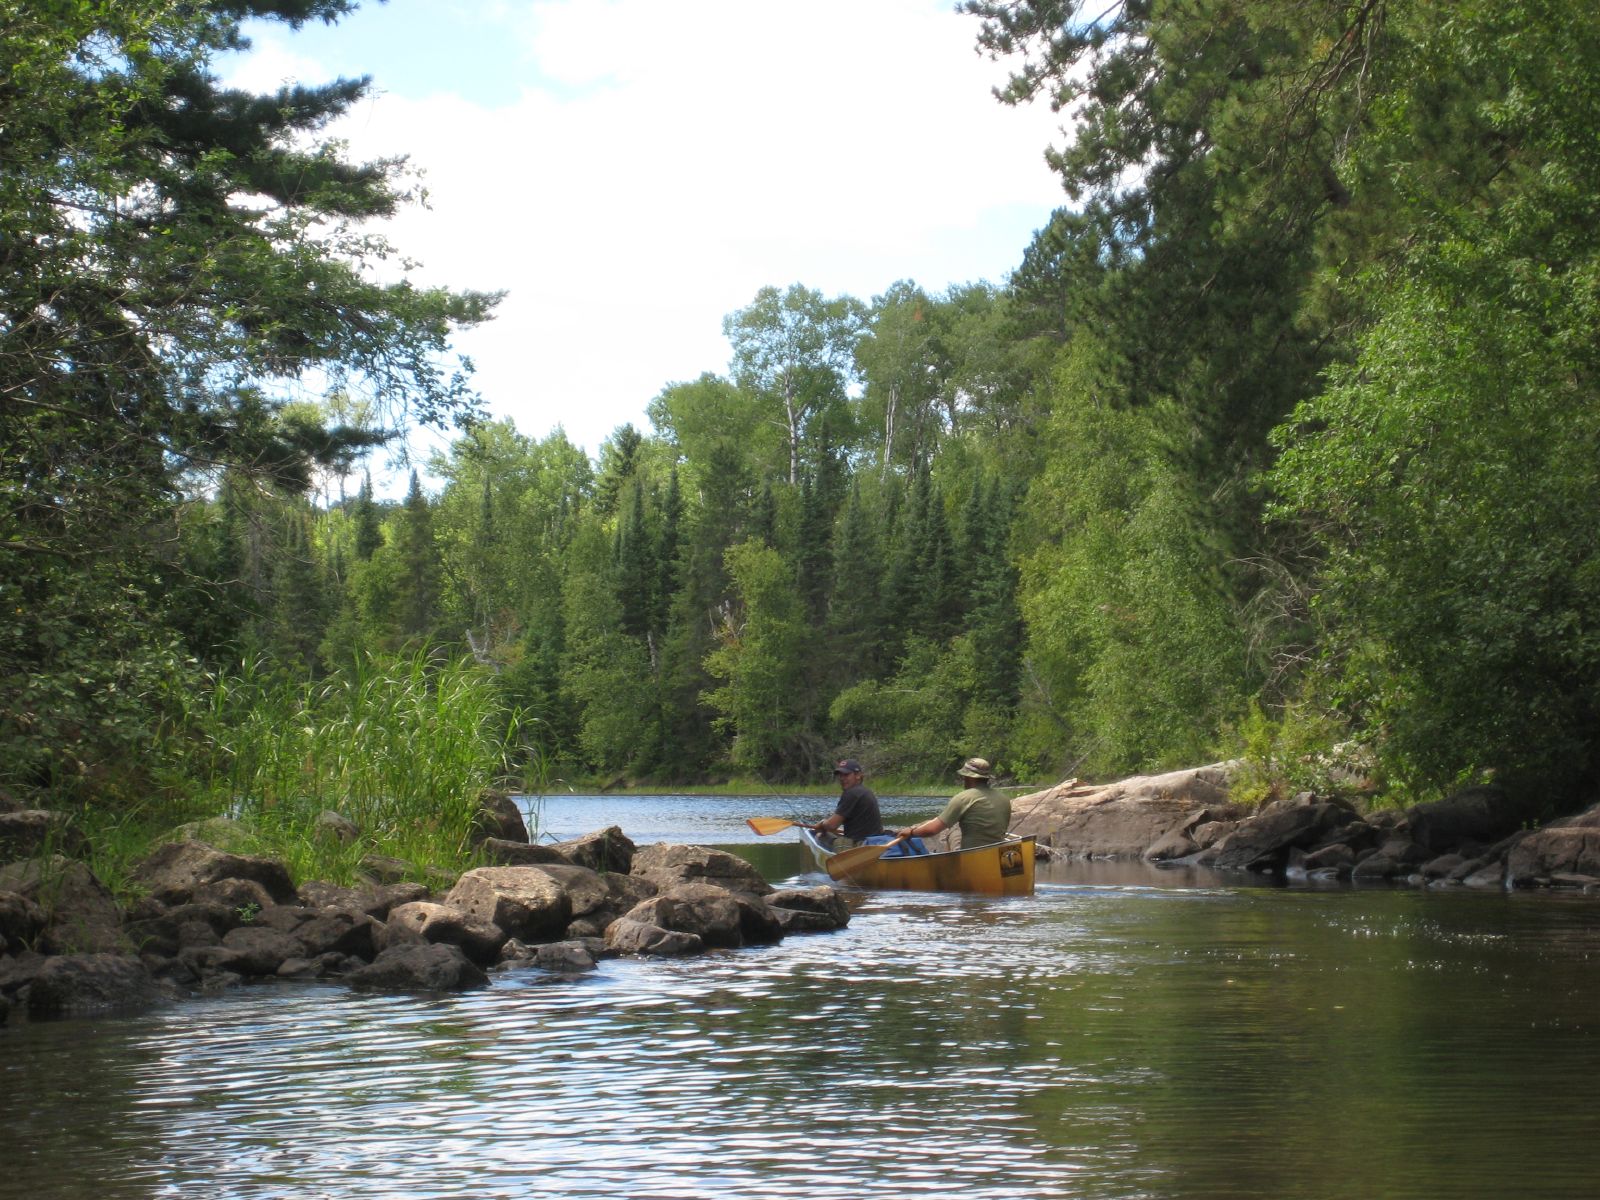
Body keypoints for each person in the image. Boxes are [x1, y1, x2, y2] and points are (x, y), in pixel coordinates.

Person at [898, 757, 1011, 849]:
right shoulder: (1004, 799)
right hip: (997, 853)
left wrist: (911, 832)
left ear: (969, 777)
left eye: (964, 776)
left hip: (973, 857)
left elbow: (932, 830)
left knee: (952, 830)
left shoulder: (963, 798)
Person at [813, 758, 884, 848]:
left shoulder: (851, 793)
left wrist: (822, 824)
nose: (842, 778)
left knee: (820, 836)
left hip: (859, 847)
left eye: (846, 775)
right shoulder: (866, 791)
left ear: (858, 775)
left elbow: (831, 826)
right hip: (874, 843)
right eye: (840, 775)